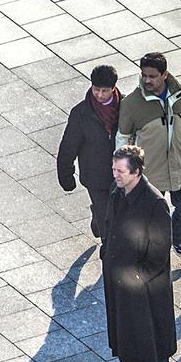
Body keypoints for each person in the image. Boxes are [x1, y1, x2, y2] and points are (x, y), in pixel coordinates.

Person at [100, 146, 176, 362]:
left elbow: (159, 247)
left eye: (121, 171)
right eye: (114, 169)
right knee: (131, 325)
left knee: (152, 327)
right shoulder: (117, 191)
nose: (116, 175)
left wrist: (139, 276)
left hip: (146, 282)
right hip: (122, 274)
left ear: (137, 172)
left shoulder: (154, 203)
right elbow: (110, 224)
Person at [116, 53, 181, 259]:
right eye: (144, 75)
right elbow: (122, 139)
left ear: (164, 74)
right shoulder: (131, 104)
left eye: (152, 76)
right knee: (148, 216)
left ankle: (174, 238)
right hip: (151, 172)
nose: (147, 80)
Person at [56, 63, 121, 239]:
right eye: (96, 89)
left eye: (104, 91)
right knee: (109, 229)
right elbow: (68, 148)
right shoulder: (81, 113)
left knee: (119, 218)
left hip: (122, 176)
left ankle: (98, 221)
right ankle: (109, 258)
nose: (99, 95)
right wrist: (66, 177)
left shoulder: (125, 108)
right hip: (95, 178)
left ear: (113, 88)